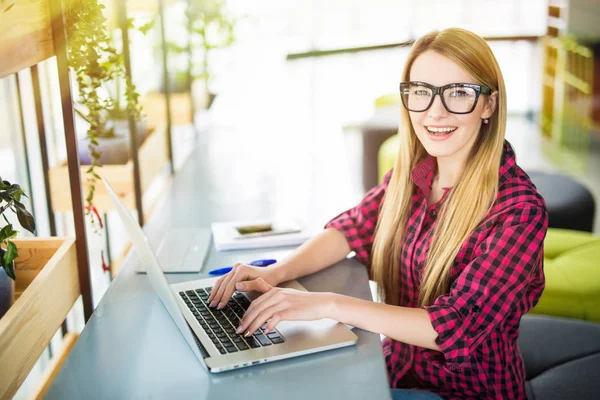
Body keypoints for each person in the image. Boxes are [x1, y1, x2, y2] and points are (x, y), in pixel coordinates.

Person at [208, 27, 548, 400]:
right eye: (422, 92)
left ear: (489, 104)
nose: (435, 111)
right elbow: (350, 229)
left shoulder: (518, 211)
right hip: (397, 371)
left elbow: (452, 326)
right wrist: (275, 274)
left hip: (462, 393)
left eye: (459, 93)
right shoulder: (412, 176)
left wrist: (326, 304)